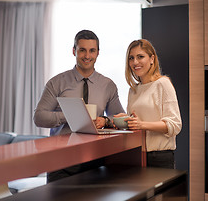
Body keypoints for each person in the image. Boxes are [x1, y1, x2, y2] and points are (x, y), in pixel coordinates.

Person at [34, 29, 125, 181]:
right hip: (60, 163)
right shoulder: (56, 83)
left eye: (92, 51)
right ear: (74, 51)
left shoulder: (108, 85)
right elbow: (39, 117)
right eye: (82, 50)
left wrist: (106, 120)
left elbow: (120, 119)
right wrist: (71, 115)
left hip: (95, 161)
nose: (87, 56)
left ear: (97, 53)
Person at [115, 39, 182, 169]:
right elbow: (138, 122)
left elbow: (175, 125)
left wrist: (141, 124)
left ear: (152, 59)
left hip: (159, 157)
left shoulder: (163, 84)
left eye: (140, 57)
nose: (135, 62)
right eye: (131, 58)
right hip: (137, 155)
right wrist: (126, 120)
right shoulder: (133, 90)